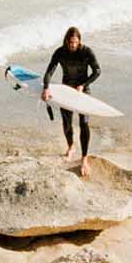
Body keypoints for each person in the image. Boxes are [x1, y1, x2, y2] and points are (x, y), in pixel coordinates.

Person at [42, 26, 102, 169]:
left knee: (84, 123)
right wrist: (46, 88)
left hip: (83, 90)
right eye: (70, 42)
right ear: (66, 41)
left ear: (79, 41)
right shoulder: (60, 52)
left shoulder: (86, 52)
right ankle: (71, 147)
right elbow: (49, 71)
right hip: (66, 90)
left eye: (75, 42)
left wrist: (83, 84)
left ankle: (84, 158)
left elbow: (97, 71)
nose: (73, 45)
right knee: (67, 122)